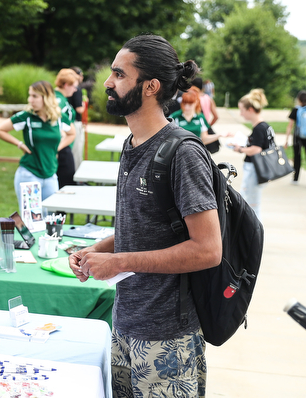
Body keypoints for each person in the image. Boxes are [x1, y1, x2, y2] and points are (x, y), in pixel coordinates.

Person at [68, 34, 221, 398]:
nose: (107, 82)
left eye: (119, 75)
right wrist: (98, 251)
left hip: (167, 339)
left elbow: (208, 249)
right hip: (124, 326)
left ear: (151, 86)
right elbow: (144, 230)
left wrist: (118, 260)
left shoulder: (183, 153)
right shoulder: (132, 144)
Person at [0, 80, 75, 207]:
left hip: (51, 174)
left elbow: (72, 134)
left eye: (34, 96)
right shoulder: (26, 117)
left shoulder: (59, 117)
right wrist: (20, 144)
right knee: (32, 220)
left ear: (46, 98)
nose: (30, 100)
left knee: (50, 218)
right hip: (29, 174)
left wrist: (57, 148)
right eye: (30, 95)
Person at [230, 88, 271, 219]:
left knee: (251, 203)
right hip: (260, 169)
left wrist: (240, 149)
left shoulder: (259, 128)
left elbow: (256, 149)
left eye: (242, 110)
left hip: (255, 169)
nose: (241, 114)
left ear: (250, 110)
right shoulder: (265, 126)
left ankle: (254, 234)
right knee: (251, 200)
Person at [285, 90, 306, 188]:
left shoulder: (296, 109)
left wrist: (286, 140)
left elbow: (290, 125)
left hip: (298, 138)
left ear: (298, 99)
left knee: (297, 158)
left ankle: (296, 178)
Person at [53, 68, 80, 187]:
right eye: (74, 86)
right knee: (65, 183)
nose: (75, 90)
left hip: (64, 146)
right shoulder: (58, 101)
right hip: (61, 148)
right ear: (65, 85)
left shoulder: (59, 98)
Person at [69, 66, 88, 171]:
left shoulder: (65, 88)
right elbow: (79, 109)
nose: (82, 77)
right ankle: (77, 177)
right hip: (75, 123)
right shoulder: (76, 89)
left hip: (68, 122)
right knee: (77, 151)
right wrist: (84, 103)